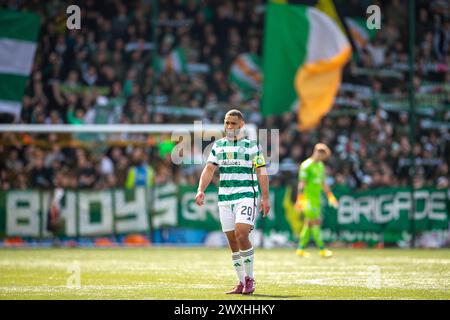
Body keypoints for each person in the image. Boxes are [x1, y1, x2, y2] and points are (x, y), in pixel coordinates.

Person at [195, 109, 270, 295]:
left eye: (233, 123)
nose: (229, 126)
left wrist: (265, 197)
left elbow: (261, 171)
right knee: (232, 241)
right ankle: (240, 281)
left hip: (246, 195)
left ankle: (250, 279)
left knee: (241, 233)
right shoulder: (218, 146)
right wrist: (200, 190)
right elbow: (209, 169)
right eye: (226, 122)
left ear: (242, 125)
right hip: (225, 198)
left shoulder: (253, 146)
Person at [295, 143, 338, 258]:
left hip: (316, 199)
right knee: (315, 222)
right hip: (307, 200)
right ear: (317, 152)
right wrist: (299, 200)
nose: (323, 158)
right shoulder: (306, 165)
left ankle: (300, 249)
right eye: (323, 156)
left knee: (308, 224)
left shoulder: (320, 166)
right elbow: (301, 184)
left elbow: (323, 183)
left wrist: (330, 196)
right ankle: (322, 249)